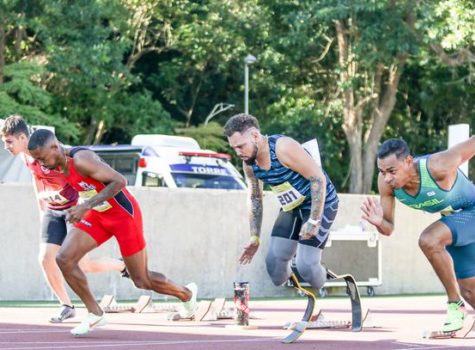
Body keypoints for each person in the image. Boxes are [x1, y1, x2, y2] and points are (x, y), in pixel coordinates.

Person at [27, 128, 197, 336]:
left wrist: (86, 205)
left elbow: (120, 181)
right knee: (64, 258)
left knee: (141, 280)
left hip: (124, 216)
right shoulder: (57, 164)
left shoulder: (81, 160)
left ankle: (187, 294)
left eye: (43, 158)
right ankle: (95, 313)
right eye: (37, 160)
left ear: (55, 147)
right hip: (99, 215)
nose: (42, 164)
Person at [361, 137, 475, 350]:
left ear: (409, 161)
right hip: (456, 222)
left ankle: (454, 304)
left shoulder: (437, 165)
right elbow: (389, 228)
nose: (387, 178)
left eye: (392, 171)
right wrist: (378, 222)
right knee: (473, 294)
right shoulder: (387, 185)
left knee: (428, 240)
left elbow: (474, 144)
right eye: (382, 172)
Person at [1, 115, 128, 323]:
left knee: (83, 265)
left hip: (73, 209)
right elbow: (37, 178)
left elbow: (76, 177)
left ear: (23, 137)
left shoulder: (50, 149)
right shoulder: (26, 157)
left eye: (9, 142)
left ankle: (122, 266)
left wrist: (78, 202)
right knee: (45, 258)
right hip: (52, 210)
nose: (6, 147)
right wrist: (41, 206)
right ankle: (66, 306)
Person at [224, 114, 339, 292]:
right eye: (234, 148)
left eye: (241, 146)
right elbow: (255, 197)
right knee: (275, 267)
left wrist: (314, 220)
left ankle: (330, 283)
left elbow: (318, 179)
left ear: (255, 135)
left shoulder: (283, 148)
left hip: (320, 202)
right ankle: (305, 291)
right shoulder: (249, 163)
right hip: (292, 207)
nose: (238, 152)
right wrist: (254, 237)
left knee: (306, 266)